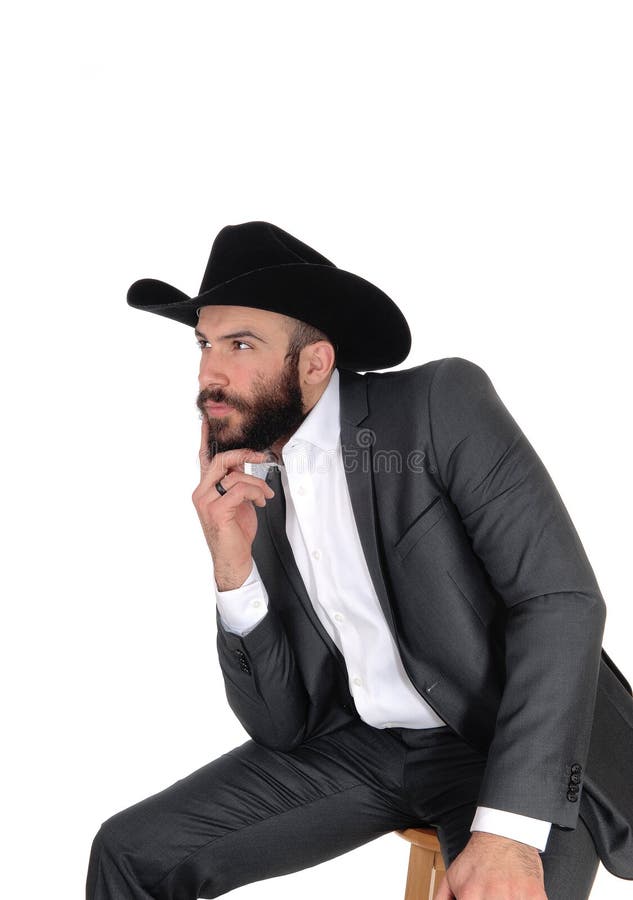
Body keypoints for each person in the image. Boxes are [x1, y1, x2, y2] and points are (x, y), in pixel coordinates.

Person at [86, 221, 633, 900]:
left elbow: (559, 600)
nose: (207, 373)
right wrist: (234, 569)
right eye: (204, 344)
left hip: (510, 744)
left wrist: (509, 831)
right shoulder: (256, 488)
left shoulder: (437, 405)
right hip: (368, 748)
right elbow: (281, 725)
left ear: (314, 363)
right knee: (129, 852)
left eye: (240, 344)